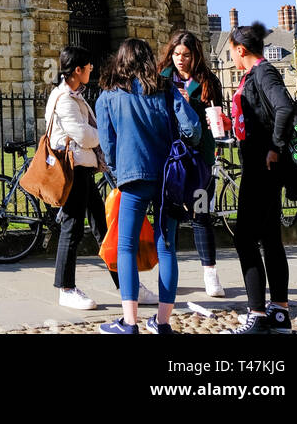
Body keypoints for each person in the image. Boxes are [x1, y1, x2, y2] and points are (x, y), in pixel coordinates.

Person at [96, 37, 201, 335]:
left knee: (126, 247)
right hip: (168, 177)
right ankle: (163, 322)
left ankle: (129, 323)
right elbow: (192, 130)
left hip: (132, 177)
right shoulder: (166, 89)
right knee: (167, 248)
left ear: (120, 61)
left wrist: (118, 174)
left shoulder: (108, 95)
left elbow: (108, 145)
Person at [47, 46, 134, 311]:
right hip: (74, 170)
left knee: (102, 229)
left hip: (83, 167)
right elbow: (83, 136)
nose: (92, 70)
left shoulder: (74, 96)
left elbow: (86, 133)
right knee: (71, 229)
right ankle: (66, 288)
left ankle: (126, 284)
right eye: (88, 67)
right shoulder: (64, 98)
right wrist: (107, 134)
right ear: (77, 70)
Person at [228, 21, 294, 335]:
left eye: (232, 52)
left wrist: (275, 148)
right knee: (269, 238)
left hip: (262, 168)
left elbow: (284, 108)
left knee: (244, 238)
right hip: (261, 166)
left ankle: (257, 314)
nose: (232, 58)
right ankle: (279, 312)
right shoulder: (255, 74)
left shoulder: (263, 72)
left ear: (241, 50)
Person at [159, 30, 226, 298]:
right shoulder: (162, 79)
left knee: (201, 215)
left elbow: (217, 117)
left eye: (186, 55)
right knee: (169, 218)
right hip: (172, 160)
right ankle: (168, 275)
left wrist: (194, 106)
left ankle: (210, 273)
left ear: (195, 55)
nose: (180, 60)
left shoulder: (207, 81)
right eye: (176, 54)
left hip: (199, 160)